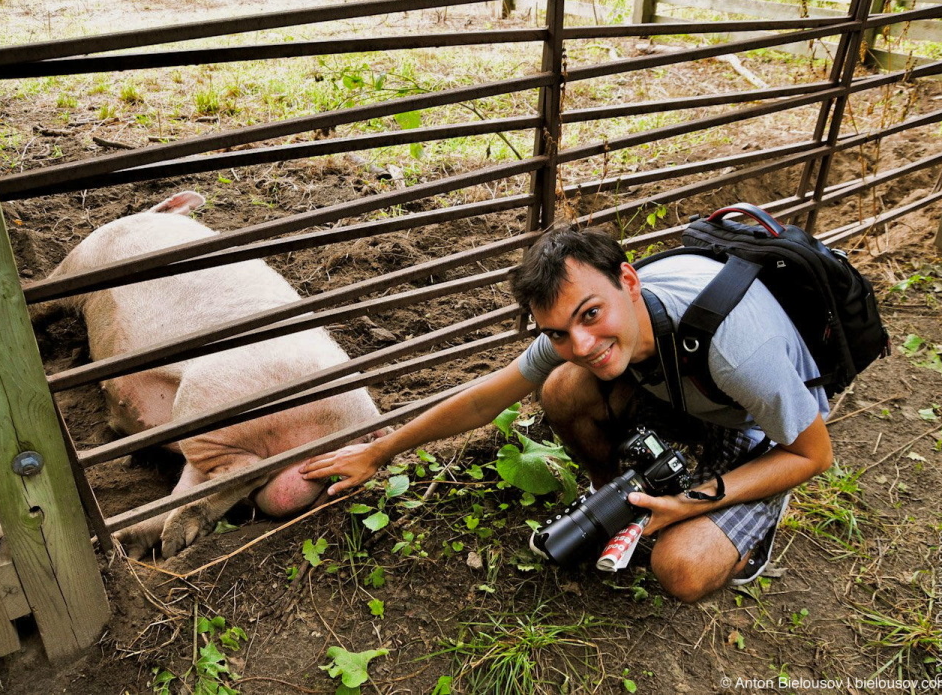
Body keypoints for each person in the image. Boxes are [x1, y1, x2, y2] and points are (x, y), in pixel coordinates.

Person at [299, 227, 833, 603]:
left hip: (757, 423)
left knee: (681, 569)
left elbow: (814, 454)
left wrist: (689, 503)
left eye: (590, 316)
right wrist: (379, 451)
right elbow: (488, 399)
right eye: (556, 332)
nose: (580, 343)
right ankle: (619, 501)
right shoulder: (582, 329)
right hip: (682, 387)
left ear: (628, 281)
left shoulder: (737, 346)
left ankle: (752, 532)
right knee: (562, 387)